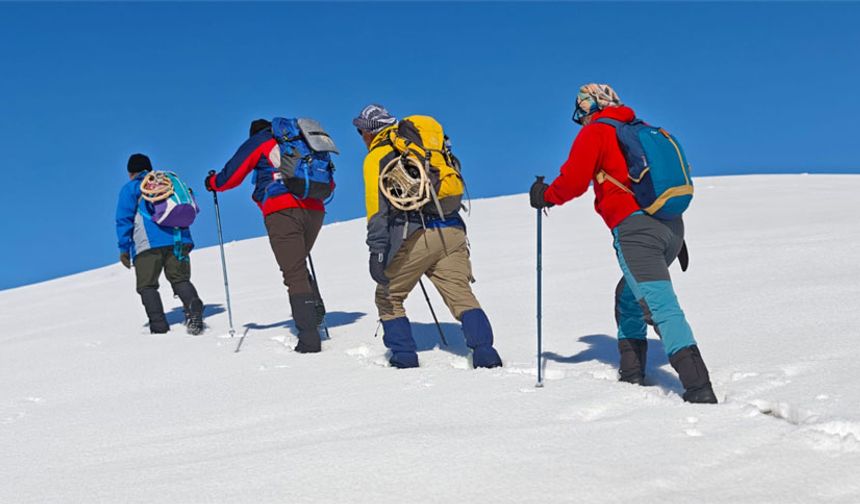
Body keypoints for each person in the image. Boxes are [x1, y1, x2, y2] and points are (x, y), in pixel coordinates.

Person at [529, 84, 717, 404]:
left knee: (659, 308)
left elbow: (574, 180)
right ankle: (632, 374)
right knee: (627, 296)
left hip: (636, 231)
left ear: (590, 107)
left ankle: (699, 390)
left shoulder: (597, 133)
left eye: (582, 108)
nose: (580, 117)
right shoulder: (640, 129)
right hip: (671, 228)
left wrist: (545, 196)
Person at [353, 104, 503, 369]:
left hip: (418, 234)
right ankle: (485, 354)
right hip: (453, 230)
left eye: (360, 130)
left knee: (388, 296)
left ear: (370, 131)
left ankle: (404, 358)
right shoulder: (425, 149)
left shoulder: (379, 155)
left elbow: (376, 209)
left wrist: (377, 251)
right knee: (461, 295)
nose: (360, 136)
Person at [204, 119, 328, 353]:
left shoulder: (260, 141)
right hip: (314, 208)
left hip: (283, 209)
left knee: (294, 273)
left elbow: (231, 175)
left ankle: (309, 340)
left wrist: (213, 183)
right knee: (297, 265)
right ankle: (315, 314)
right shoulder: (298, 139)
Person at [116, 153, 204, 335]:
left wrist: (124, 249)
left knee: (147, 285)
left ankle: (159, 327)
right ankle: (192, 305)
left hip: (148, 244)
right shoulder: (168, 184)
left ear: (130, 172)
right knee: (180, 279)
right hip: (179, 239)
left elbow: (124, 219)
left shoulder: (132, 188)